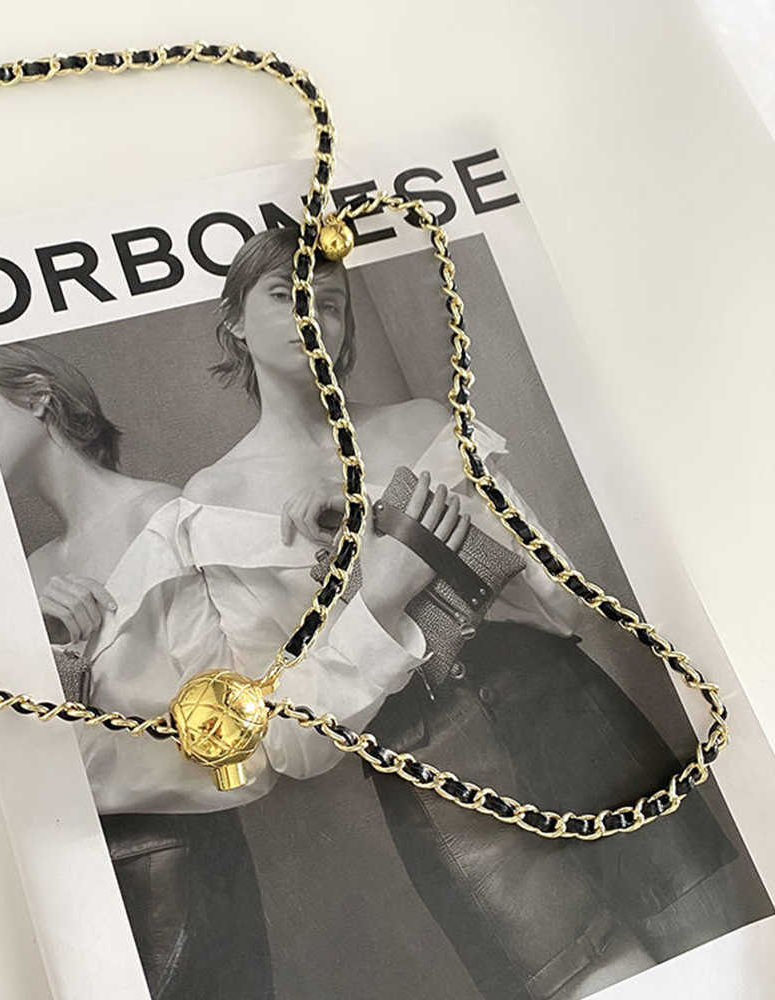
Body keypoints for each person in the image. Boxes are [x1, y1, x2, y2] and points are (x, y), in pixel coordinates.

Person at [180, 226, 738, 1000]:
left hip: (572, 716)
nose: (311, 315)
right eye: (283, 295)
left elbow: (563, 602)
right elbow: (289, 743)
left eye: (330, 303)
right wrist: (380, 593)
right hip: (442, 784)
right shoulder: (212, 504)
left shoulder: (425, 425)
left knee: (725, 960)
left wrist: (389, 510)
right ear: (234, 320)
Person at [0, 342, 275, 1000]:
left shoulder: (169, 523)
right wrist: (54, 656)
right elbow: (17, 758)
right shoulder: (29, 576)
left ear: (36, 395)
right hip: (74, 883)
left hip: (177, 870)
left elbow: (232, 747)